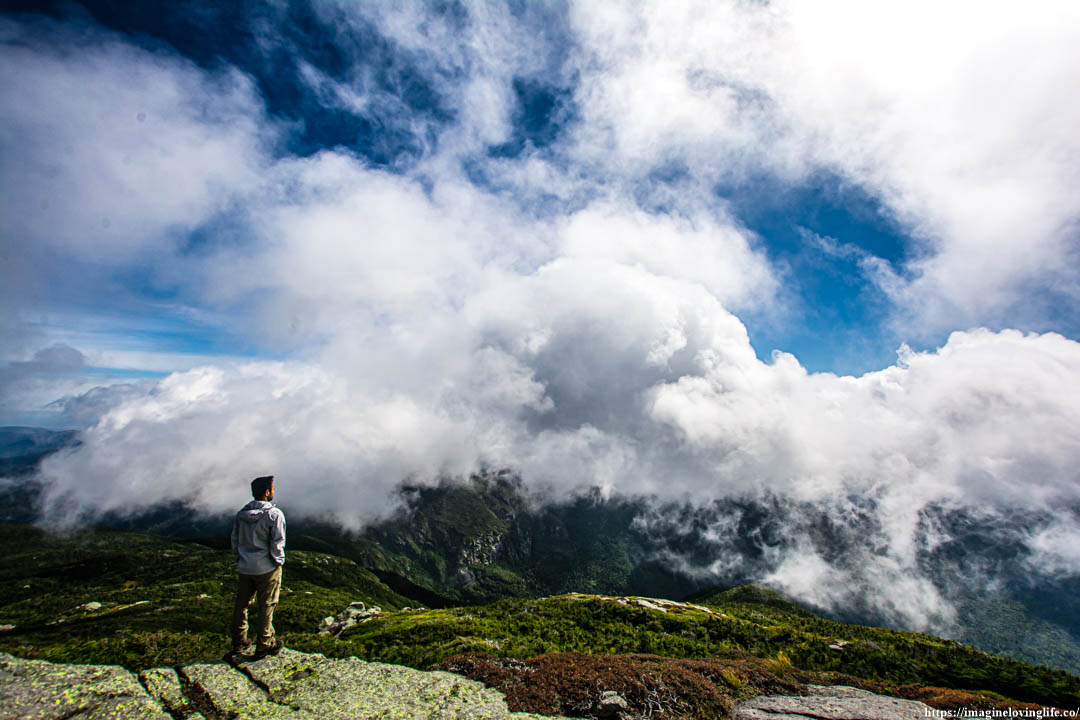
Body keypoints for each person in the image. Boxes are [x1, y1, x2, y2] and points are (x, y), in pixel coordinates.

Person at [229, 474, 286, 658]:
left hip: (245, 567)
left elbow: (235, 540)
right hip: (266, 568)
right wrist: (278, 561)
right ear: (267, 492)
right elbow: (278, 542)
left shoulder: (241, 515)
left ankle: (239, 642)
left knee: (242, 604)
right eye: (273, 488)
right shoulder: (274, 514)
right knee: (267, 605)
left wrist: (240, 559)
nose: (274, 492)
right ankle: (265, 643)